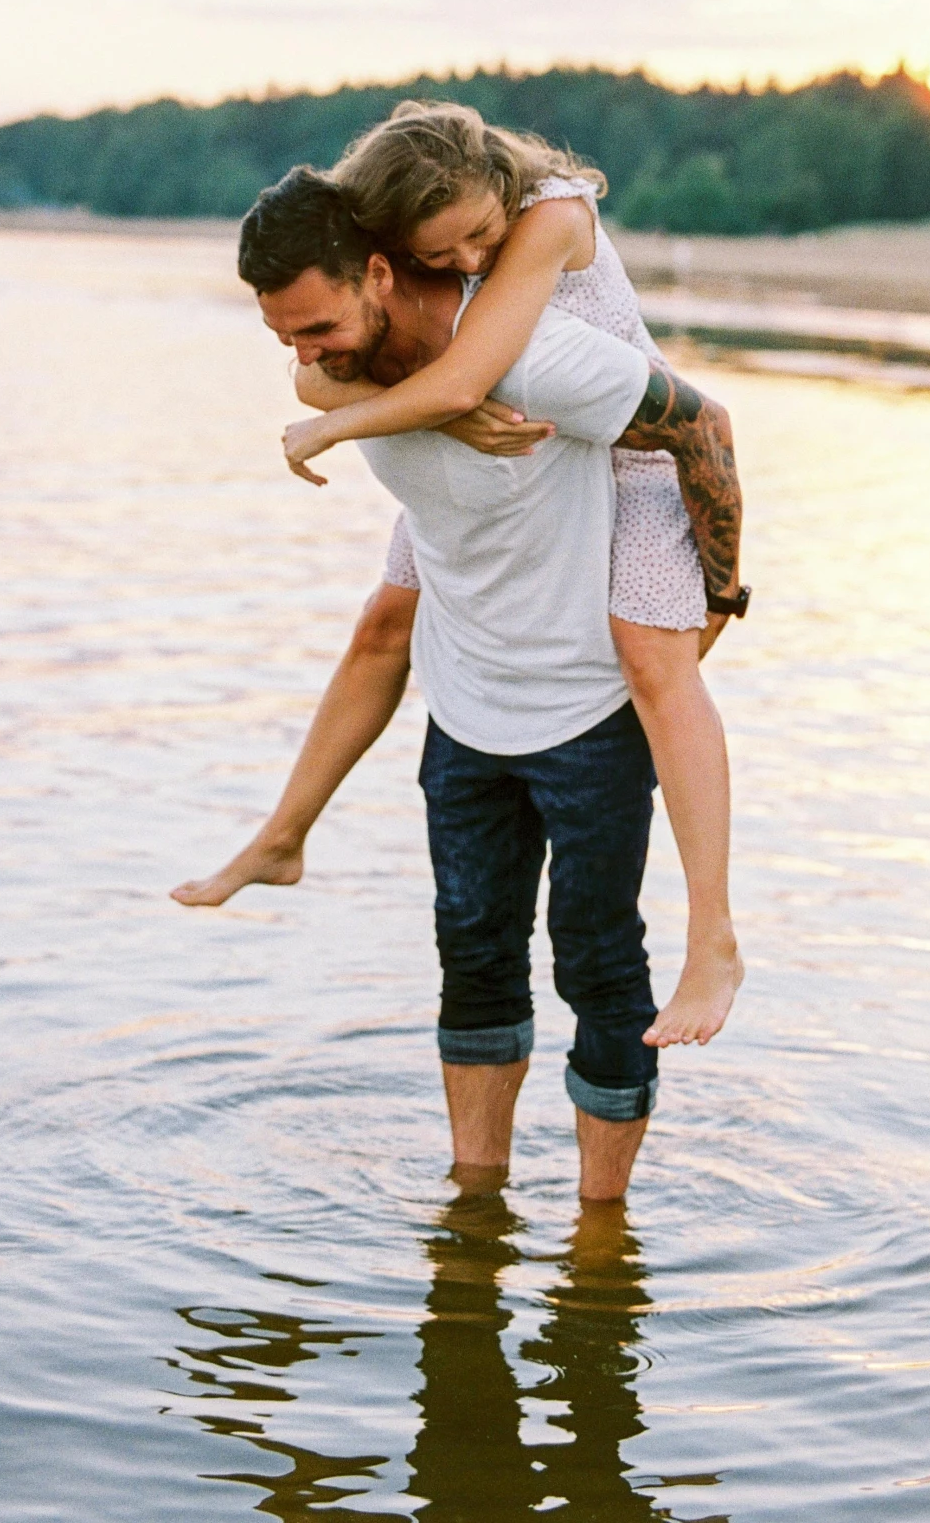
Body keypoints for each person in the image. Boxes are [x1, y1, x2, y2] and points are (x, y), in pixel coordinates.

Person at [173, 169, 743, 1200]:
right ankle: (471, 1207)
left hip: (587, 699)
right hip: (468, 700)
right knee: (472, 955)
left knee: (597, 966)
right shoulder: (344, 373)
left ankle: (599, 1226)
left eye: (317, 325)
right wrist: (411, 409)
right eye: (283, 337)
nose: (303, 357)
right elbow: (330, 388)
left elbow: (701, 428)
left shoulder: (534, 356)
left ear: (381, 274)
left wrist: (721, 587)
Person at [272, 102, 747, 1047]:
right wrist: (430, 414)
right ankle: (283, 832)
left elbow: (459, 379)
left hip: (631, 459)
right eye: (436, 258)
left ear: (499, 187)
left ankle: (713, 940)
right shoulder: (445, 242)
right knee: (389, 614)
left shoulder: (549, 218)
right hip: (524, 468)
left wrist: (726, 585)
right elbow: (362, 376)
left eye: (474, 242)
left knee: (654, 664)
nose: (462, 267)